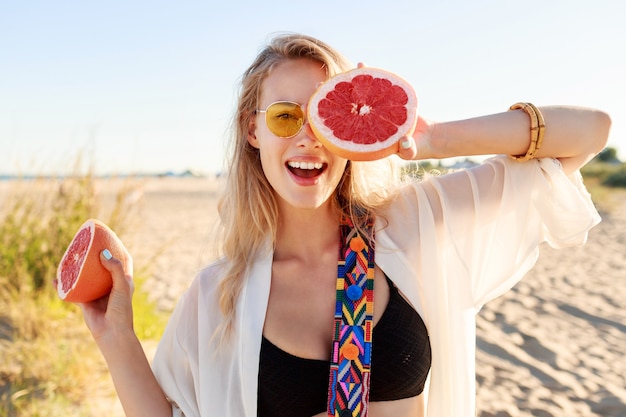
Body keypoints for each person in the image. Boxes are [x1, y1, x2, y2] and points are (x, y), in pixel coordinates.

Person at [78, 33, 611, 417]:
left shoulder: (413, 226)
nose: (308, 139)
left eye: (324, 117)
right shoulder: (218, 293)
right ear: (253, 131)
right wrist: (115, 337)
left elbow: (589, 132)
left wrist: (431, 140)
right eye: (287, 117)